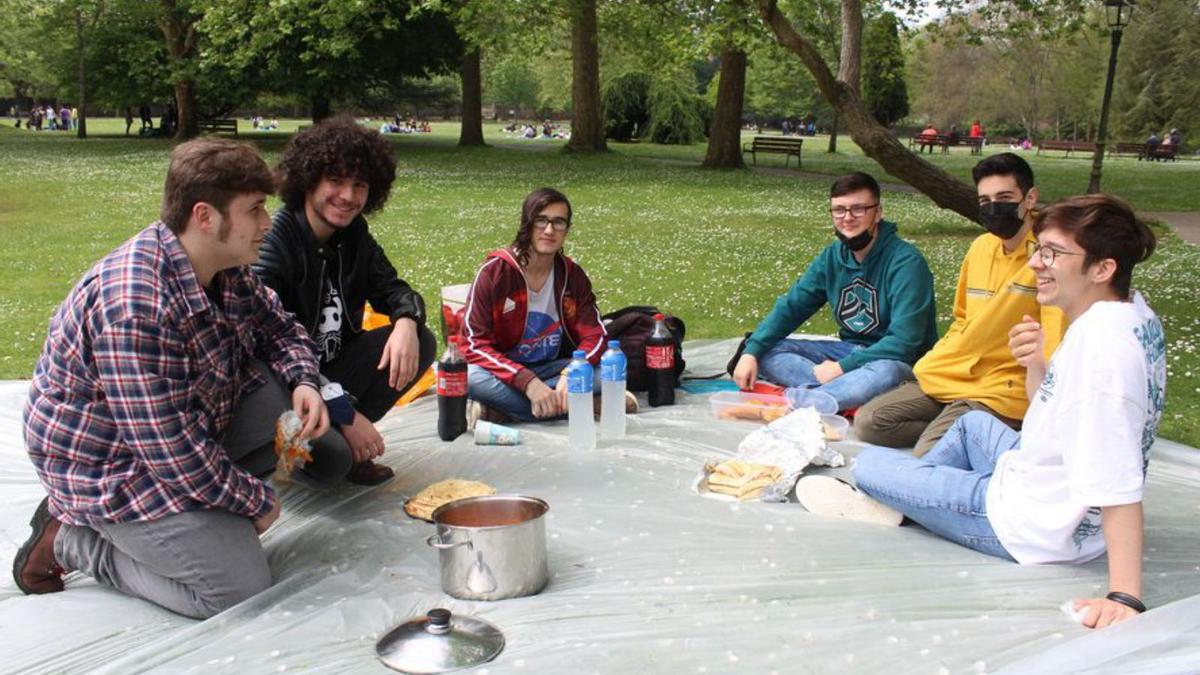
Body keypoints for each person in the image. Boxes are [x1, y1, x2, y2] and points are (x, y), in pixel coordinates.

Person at [14, 138, 340, 619]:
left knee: (312, 439)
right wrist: (253, 500)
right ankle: (74, 540)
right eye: (254, 210)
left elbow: (280, 328)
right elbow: (170, 453)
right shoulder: (135, 307)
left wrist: (305, 381)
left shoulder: (224, 265)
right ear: (205, 217)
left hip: (187, 426)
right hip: (110, 465)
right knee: (238, 587)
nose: (267, 224)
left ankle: (202, 522)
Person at [821, 194, 1164, 631]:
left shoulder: (1103, 355)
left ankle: (912, 503)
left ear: (1102, 268)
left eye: (1053, 254)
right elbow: (1049, 411)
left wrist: (1124, 596)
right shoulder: (1129, 310)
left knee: (869, 467)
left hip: (1031, 525)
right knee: (970, 424)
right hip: (1039, 478)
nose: (1036, 263)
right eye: (1040, 248)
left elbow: (1118, 479)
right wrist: (1037, 363)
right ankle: (920, 498)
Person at [254, 116, 436, 486]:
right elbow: (268, 349)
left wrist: (406, 322)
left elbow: (396, 290)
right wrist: (345, 415)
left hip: (334, 371)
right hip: (289, 384)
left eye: (359, 185)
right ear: (308, 179)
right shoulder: (276, 245)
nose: (349, 197)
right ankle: (299, 456)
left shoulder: (354, 235)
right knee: (331, 466)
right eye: (335, 181)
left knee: (422, 340)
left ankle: (344, 440)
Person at [854, 153, 1066, 456]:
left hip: (1002, 387)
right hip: (954, 372)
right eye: (985, 200)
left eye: (1004, 197)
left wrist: (1045, 399)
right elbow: (962, 317)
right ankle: (960, 433)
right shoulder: (981, 247)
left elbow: (1054, 342)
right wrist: (943, 356)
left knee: (928, 456)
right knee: (869, 423)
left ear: (1030, 198)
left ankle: (983, 436)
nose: (993, 207)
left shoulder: (1046, 258)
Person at [731, 172, 937, 412]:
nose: (847, 218)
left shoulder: (906, 263)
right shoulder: (833, 256)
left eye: (858, 209)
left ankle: (806, 401)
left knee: (886, 372)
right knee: (768, 349)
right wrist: (751, 352)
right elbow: (793, 306)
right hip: (849, 350)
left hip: (896, 361)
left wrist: (841, 368)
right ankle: (834, 396)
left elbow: (904, 342)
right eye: (839, 210)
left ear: (878, 212)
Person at [460, 187, 632, 424]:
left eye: (558, 223)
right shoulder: (495, 273)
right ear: (527, 224)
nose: (549, 230)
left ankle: (503, 411)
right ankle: (586, 405)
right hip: (505, 372)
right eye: (541, 221)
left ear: (566, 230)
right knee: (467, 377)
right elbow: (473, 344)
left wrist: (572, 372)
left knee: (610, 370)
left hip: (553, 368)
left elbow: (596, 335)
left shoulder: (571, 275)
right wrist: (527, 382)